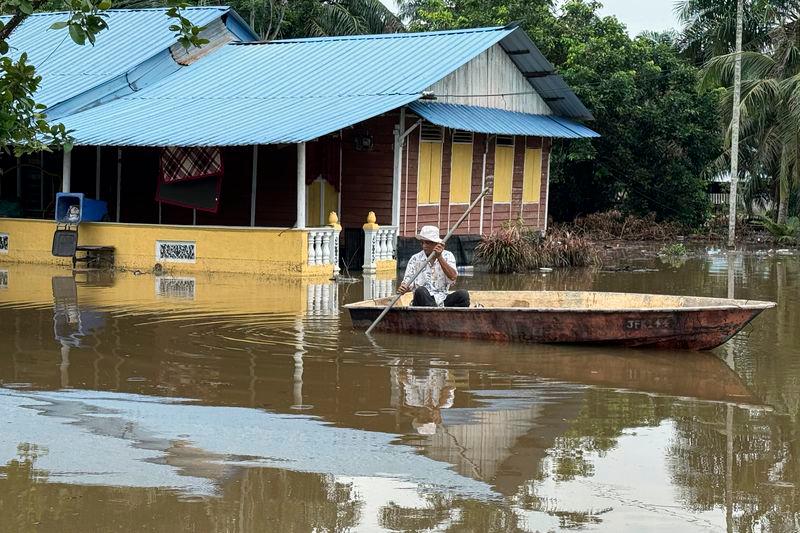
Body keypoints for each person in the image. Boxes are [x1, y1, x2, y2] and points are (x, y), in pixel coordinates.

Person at [397, 225, 470, 307]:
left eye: (428, 242)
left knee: (463, 295)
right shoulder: (415, 259)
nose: (424, 246)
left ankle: (441, 315)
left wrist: (439, 257)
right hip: (422, 301)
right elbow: (408, 284)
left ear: (437, 244)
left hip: (443, 300)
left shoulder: (448, 256)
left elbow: (453, 277)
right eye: (422, 242)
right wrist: (403, 289)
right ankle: (436, 314)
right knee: (420, 291)